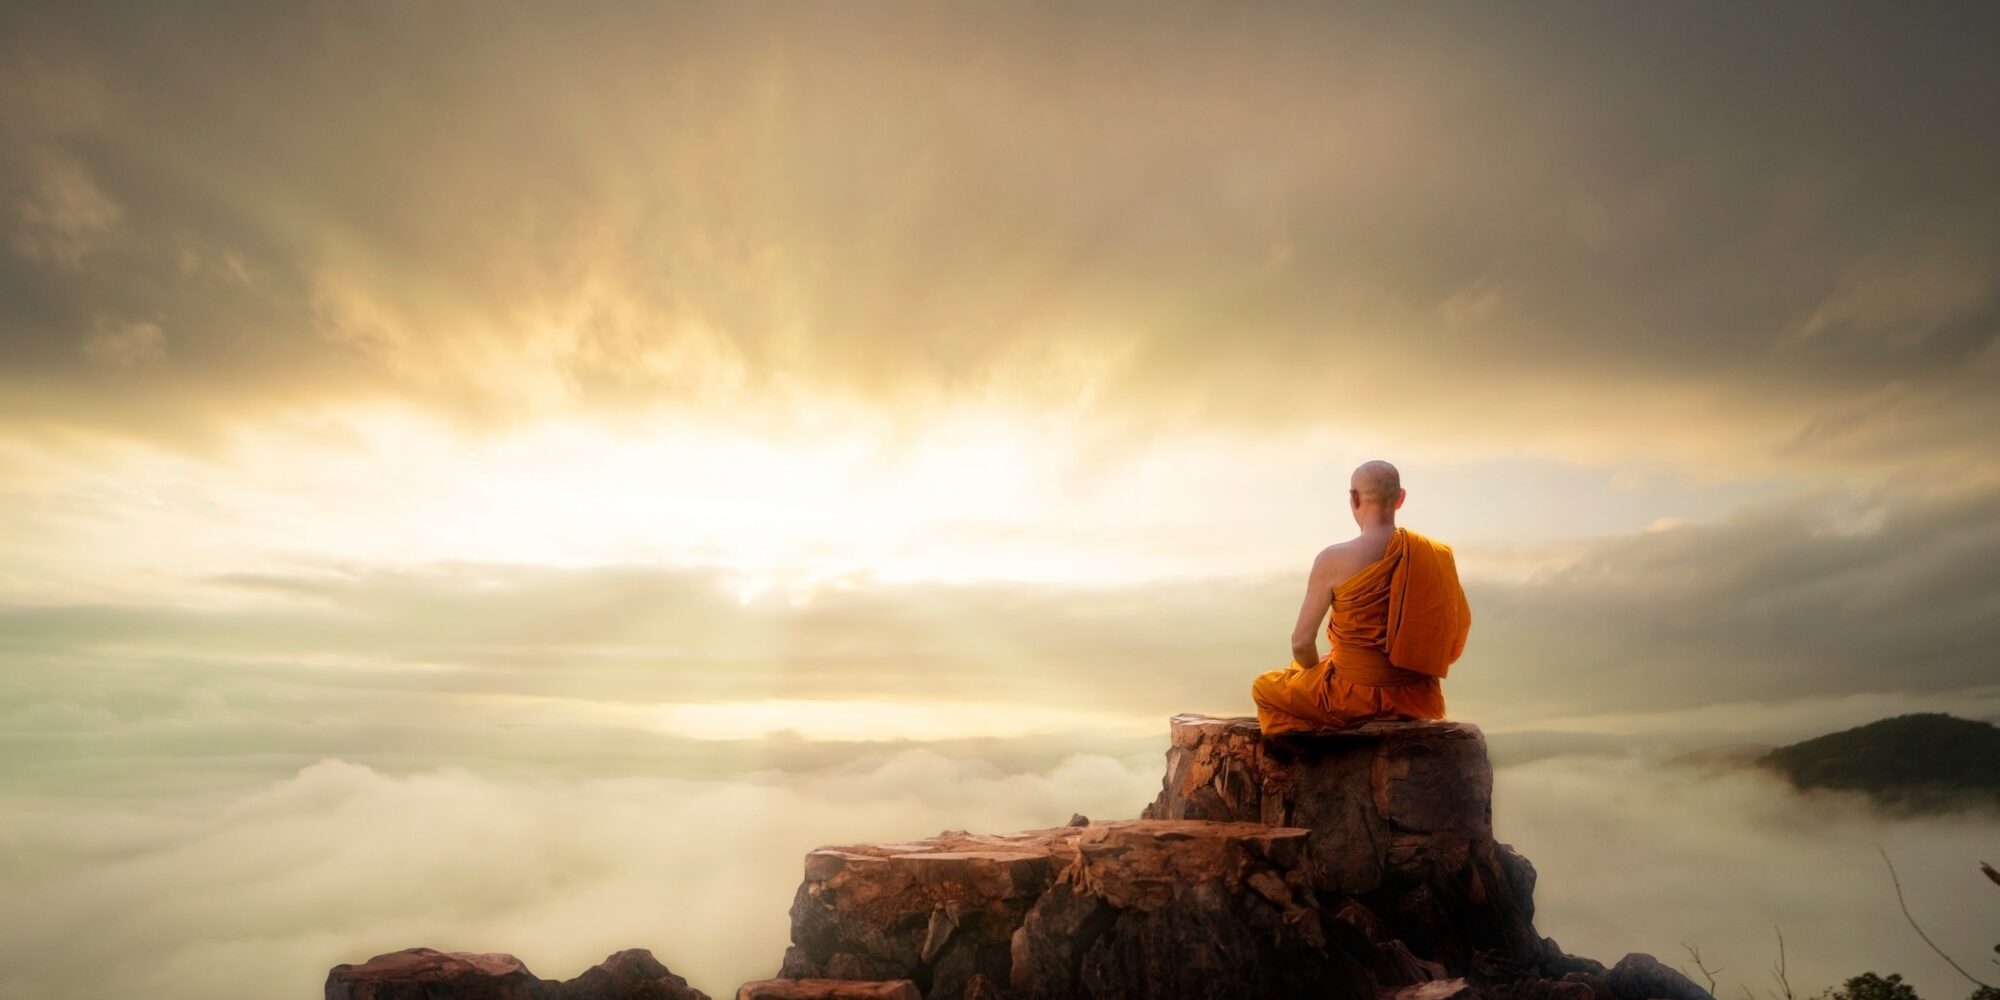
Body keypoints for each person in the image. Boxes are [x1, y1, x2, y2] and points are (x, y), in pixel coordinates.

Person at [1250, 460, 1471, 734]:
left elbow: (1301, 643)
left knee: (1264, 686)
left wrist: (1312, 674)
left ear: (1354, 498)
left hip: (1350, 698)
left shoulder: (1333, 559)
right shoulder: (1436, 556)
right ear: (1400, 498)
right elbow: (1452, 639)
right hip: (1415, 699)